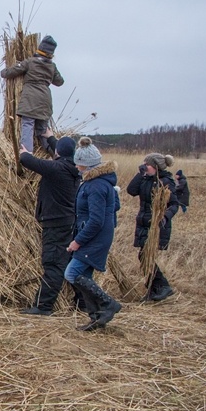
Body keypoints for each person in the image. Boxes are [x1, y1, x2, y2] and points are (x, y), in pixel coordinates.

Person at [19, 130, 80, 316]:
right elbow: (62, 153)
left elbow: (28, 161)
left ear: (58, 154)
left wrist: (24, 153)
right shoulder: (73, 167)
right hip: (65, 222)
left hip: (55, 224)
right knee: (67, 262)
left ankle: (44, 306)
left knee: (53, 264)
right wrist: (51, 138)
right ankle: (82, 301)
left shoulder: (57, 169)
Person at [64, 137, 121, 331]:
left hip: (93, 238)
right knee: (83, 275)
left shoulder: (96, 185)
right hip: (94, 236)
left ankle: (108, 305)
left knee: (71, 273)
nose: (76, 167)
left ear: (85, 165)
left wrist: (78, 242)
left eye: (78, 164)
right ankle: (97, 318)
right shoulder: (99, 182)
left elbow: (96, 220)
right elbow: (113, 208)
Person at [126, 153, 180, 302]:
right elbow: (131, 190)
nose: (144, 166)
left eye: (147, 164)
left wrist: (164, 217)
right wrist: (140, 173)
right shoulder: (145, 179)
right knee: (144, 257)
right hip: (144, 223)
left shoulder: (165, 182)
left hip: (156, 226)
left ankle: (162, 286)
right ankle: (154, 290)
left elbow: (175, 204)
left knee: (145, 256)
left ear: (156, 167)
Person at [0, 35, 64, 153]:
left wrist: (3, 72)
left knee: (28, 124)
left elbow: (12, 72)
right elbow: (60, 82)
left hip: (30, 98)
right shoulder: (52, 66)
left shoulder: (30, 62)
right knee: (43, 129)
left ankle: (27, 152)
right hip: (45, 100)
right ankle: (53, 153)